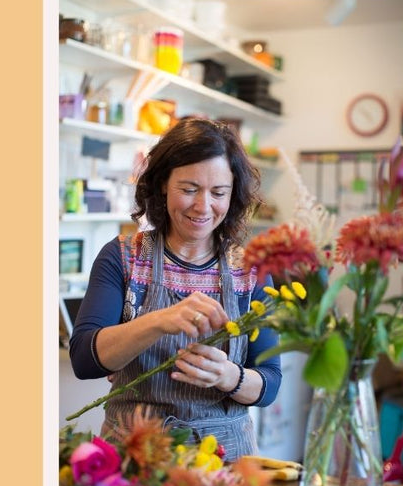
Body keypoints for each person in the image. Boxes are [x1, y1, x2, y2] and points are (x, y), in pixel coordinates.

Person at [69, 117, 282, 462]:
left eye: (218, 193)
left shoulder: (251, 271)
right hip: (132, 459)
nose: (203, 206)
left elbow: (270, 383)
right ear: (162, 186)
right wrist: (157, 321)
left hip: (224, 461)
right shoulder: (123, 257)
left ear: (234, 195)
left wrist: (228, 376)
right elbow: (84, 359)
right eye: (189, 189)